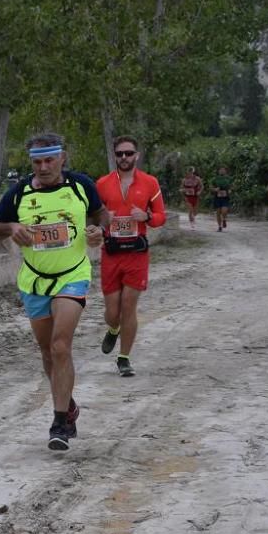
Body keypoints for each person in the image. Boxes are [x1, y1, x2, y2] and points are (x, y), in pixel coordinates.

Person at [0, 133, 105, 451]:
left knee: (61, 345)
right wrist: (11, 228)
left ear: (62, 158)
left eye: (49, 160)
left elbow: (100, 214)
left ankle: (59, 422)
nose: (43, 167)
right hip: (35, 280)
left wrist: (99, 231)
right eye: (37, 162)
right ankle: (68, 404)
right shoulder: (19, 192)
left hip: (72, 275)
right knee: (48, 353)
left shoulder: (80, 186)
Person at [96, 136, 166, 377]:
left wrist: (146, 217)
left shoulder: (150, 183)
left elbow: (160, 217)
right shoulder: (102, 184)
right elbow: (92, 217)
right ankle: (113, 328)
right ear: (115, 156)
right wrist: (105, 217)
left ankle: (124, 358)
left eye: (128, 153)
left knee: (129, 307)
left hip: (137, 253)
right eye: (120, 154)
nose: (124, 158)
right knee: (112, 312)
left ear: (137, 155)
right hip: (112, 253)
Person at [211, 167, 232, 231]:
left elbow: (232, 186)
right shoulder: (215, 179)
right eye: (220, 170)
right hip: (217, 197)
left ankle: (224, 219)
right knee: (218, 212)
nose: (222, 171)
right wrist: (215, 189)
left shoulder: (229, 178)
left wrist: (230, 190)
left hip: (225, 197)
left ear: (226, 171)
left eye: (223, 170)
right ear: (218, 171)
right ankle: (220, 227)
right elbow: (211, 187)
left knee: (224, 211)